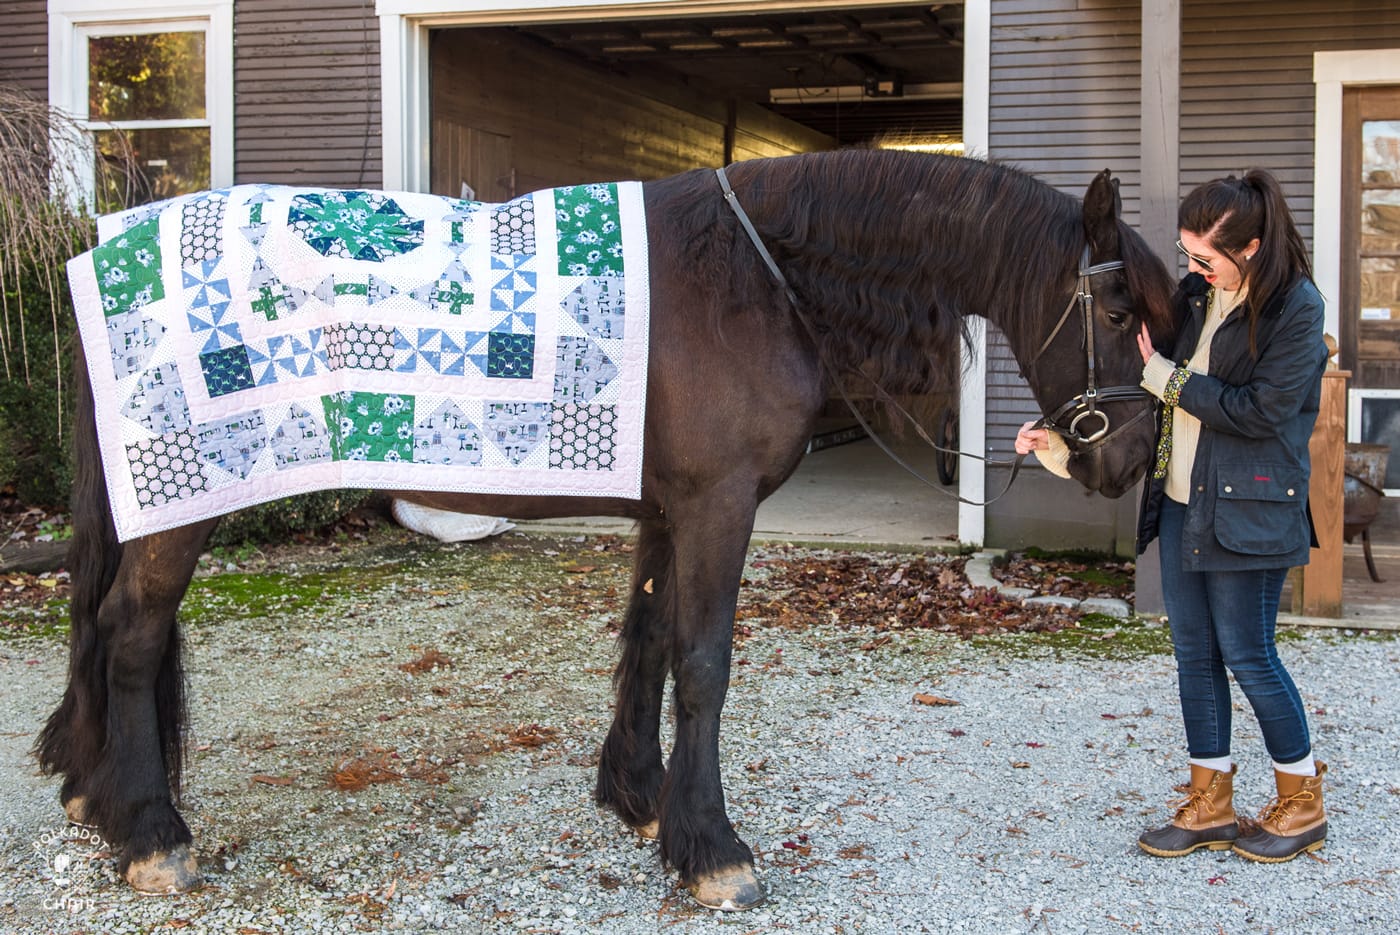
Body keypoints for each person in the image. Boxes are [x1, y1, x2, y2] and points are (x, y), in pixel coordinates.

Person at [1016, 169, 1329, 864]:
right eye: (1187, 254)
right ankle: (1210, 801)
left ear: (1249, 248)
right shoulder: (1197, 298)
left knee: (1249, 654)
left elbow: (1259, 412)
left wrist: (1169, 378)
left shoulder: (1297, 309)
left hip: (1251, 510)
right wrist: (1061, 439)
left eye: (1204, 257)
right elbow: (1140, 387)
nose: (1192, 269)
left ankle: (1302, 800)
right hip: (1184, 502)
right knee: (1195, 655)